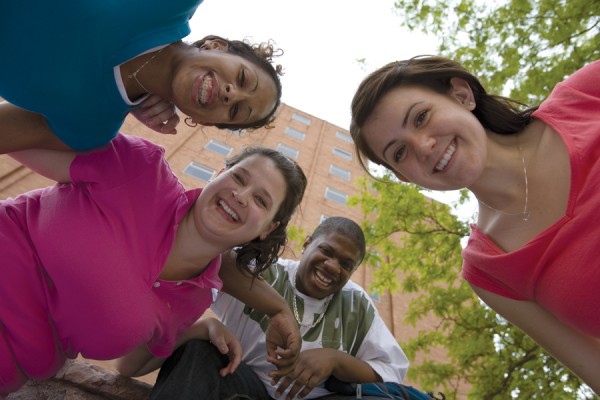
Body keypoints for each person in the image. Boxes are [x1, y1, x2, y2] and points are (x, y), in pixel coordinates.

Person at [349, 56, 600, 392]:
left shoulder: (585, 94)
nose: (423, 147)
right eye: (399, 153)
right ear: (404, 177)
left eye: (421, 117)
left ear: (461, 94)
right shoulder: (488, 268)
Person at [0, 134, 307, 395]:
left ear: (268, 227)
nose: (241, 195)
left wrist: (202, 327)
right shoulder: (142, 169)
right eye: (239, 177)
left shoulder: (194, 297)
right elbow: (16, 132)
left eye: (261, 201)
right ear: (217, 174)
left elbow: (130, 364)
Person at [150, 216, 410, 400]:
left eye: (346, 264)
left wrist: (334, 359)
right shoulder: (264, 271)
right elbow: (210, 261)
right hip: (240, 385)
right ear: (307, 244)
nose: (332, 266)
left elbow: (392, 372)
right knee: (199, 351)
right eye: (326, 251)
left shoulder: (357, 304)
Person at [0, 0, 284, 153]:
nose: (231, 93)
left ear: (205, 121)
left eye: (235, 110)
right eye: (243, 78)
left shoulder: (92, 129)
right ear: (217, 46)